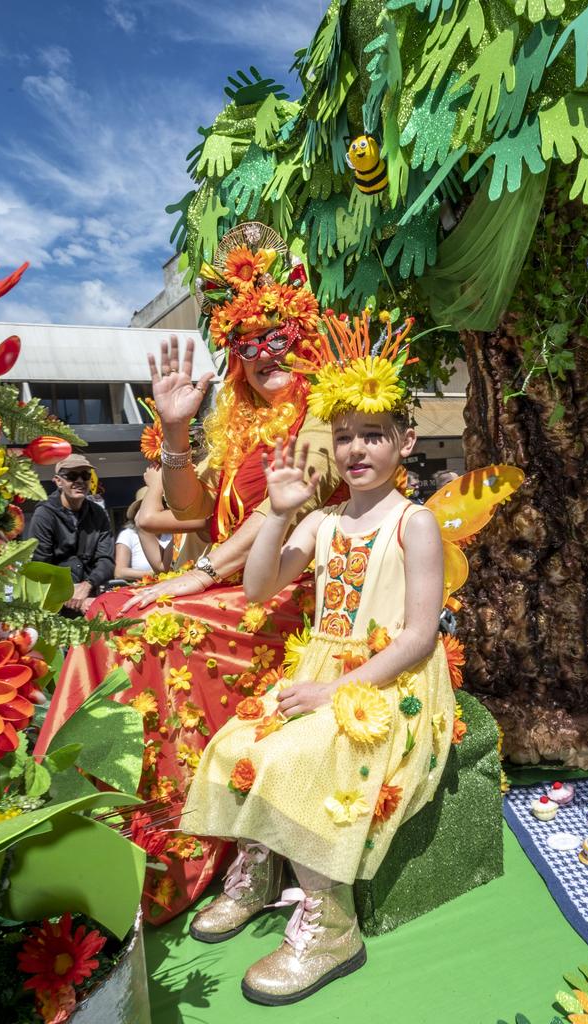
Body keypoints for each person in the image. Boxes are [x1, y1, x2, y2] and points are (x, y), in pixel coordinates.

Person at [34, 222, 346, 923]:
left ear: (303, 333)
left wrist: (199, 576)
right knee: (106, 615)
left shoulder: (328, 414)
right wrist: (177, 434)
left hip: (292, 594)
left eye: (277, 333)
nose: (264, 353)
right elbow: (191, 508)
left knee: (151, 627)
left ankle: (166, 848)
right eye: (246, 340)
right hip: (232, 580)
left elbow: (283, 516)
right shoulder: (235, 420)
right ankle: (84, 830)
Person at [181, 310, 454, 1005]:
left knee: (300, 756)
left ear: (405, 442)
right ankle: (256, 871)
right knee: (236, 738)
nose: (357, 449)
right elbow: (258, 585)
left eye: (373, 436)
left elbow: (419, 635)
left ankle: (332, 925)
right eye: (345, 437)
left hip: (389, 681)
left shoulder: (412, 522)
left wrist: (338, 694)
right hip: (320, 672)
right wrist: (275, 512)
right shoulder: (321, 520)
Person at [28, 453, 115, 615]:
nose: (80, 481)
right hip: (53, 606)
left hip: (90, 598)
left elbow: (106, 560)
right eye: (72, 476)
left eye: (85, 475)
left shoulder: (98, 513)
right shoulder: (45, 514)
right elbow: (40, 567)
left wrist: (87, 585)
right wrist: (68, 594)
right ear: (58, 481)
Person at [114, 489, 173, 582]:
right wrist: (153, 574)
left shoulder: (173, 533)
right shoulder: (128, 534)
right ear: (138, 510)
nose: (157, 508)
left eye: (161, 504)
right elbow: (119, 572)